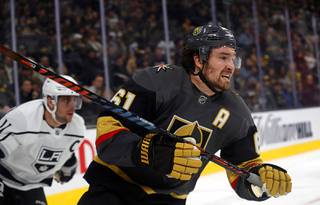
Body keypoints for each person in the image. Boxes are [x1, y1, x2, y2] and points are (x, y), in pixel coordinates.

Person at [78, 23, 292, 205]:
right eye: (223, 57)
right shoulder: (156, 82)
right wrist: (149, 152)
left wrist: (261, 180)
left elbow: (244, 168)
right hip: (113, 189)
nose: (231, 67)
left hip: (168, 200)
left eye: (233, 59)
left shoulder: (237, 112)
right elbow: (107, 136)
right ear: (199, 59)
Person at [0, 75, 86, 205]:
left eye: (74, 100)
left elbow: (66, 158)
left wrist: (67, 168)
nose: (72, 105)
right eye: (66, 100)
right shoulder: (24, 119)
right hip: (3, 178)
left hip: (32, 185)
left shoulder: (77, 127)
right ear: (51, 101)